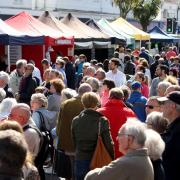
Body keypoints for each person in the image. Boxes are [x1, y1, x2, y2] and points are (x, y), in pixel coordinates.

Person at [85, 119, 154, 180]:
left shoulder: (125, 163)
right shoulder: (144, 158)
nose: (117, 138)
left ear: (129, 139)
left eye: (120, 134)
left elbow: (91, 177)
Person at [72, 92, 114, 180]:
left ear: (83, 103)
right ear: (96, 103)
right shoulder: (102, 120)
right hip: (98, 158)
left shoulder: (76, 120)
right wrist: (111, 157)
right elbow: (108, 143)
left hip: (80, 157)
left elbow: (74, 140)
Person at [56, 83, 92, 176]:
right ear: (87, 93)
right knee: (81, 169)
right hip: (83, 144)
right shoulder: (88, 104)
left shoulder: (66, 103)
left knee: (73, 166)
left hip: (68, 142)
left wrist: (60, 137)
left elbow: (59, 123)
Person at [97, 87, 136, 158]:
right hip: (124, 153)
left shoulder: (99, 112)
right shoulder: (130, 113)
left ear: (109, 97)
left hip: (104, 152)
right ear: (123, 98)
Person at [157, 91, 180, 180]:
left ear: (173, 106)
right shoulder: (173, 128)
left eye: (163, 103)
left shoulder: (177, 131)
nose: (161, 106)